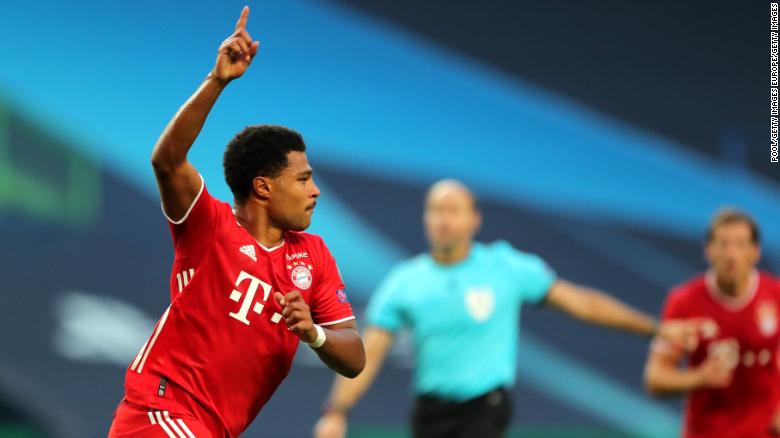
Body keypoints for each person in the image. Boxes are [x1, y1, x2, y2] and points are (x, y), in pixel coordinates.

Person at [108, 7, 365, 437]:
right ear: (263, 188)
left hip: (214, 429)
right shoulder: (208, 224)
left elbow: (354, 356)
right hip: (160, 411)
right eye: (302, 179)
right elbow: (167, 161)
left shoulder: (313, 256)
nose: (315, 190)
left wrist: (314, 333)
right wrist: (217, 81)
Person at [314, 179, 697, 438]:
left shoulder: (506, 267)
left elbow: (580, 302)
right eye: (435, 210)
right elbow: (371, 352)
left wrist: (652, 328)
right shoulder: (406, 281)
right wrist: (337, 410)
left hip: (485, 407)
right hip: (430, 412)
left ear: (474, 219)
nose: (443, 219)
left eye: (453, 210)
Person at [644, 209, 780, 437]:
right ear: (709, 251)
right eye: (723, 244)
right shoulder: (684, 302)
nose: (731, 254)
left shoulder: (775, 296)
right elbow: (655, 379)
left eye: (740, 244)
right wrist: (699, 378)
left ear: (755, 252)